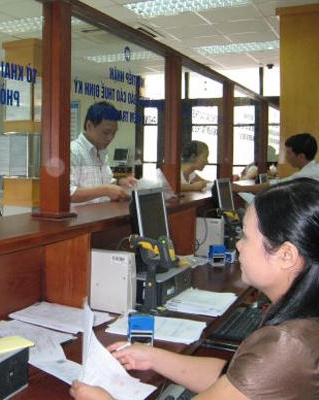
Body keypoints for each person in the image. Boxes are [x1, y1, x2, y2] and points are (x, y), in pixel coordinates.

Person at [70, 177, 319, 400]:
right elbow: (234, 379)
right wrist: (152, 356)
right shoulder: (302, 320)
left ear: (286, 255)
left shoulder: (287, 347)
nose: (238, 245)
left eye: (246, 237)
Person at [70, 101, 137, 204]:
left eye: (114, 133)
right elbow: (67, 193)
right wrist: (105, 190)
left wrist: (121, 183)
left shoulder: (102, 152)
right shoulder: (74, 151)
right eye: (106, 132)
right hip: (81, 215)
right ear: (89, 126)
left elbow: (106, 182)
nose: (110, 138)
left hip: (102, 213)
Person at [233, 132, 319, 194]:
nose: (286, 157)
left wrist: (241, 188)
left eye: (289, 153)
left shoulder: (307, 175)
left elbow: (277, 185)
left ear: (301, 156)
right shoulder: (312, 169)